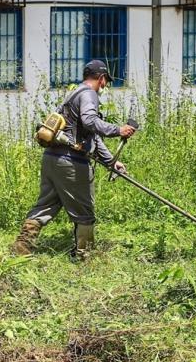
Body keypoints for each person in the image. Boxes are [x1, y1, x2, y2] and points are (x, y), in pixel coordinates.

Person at [12, 60, 136, 258]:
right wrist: (118, 130)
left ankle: (22, 248)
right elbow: (90, 122)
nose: (105, 86)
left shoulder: (73, 94)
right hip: (71, 163)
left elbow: (89, 137)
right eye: (105, 81)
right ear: (102, 79)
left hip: (52, 159)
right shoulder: (89, 94)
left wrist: (111, 162)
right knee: (84, 212)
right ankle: (83, 256)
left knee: (45, 206)